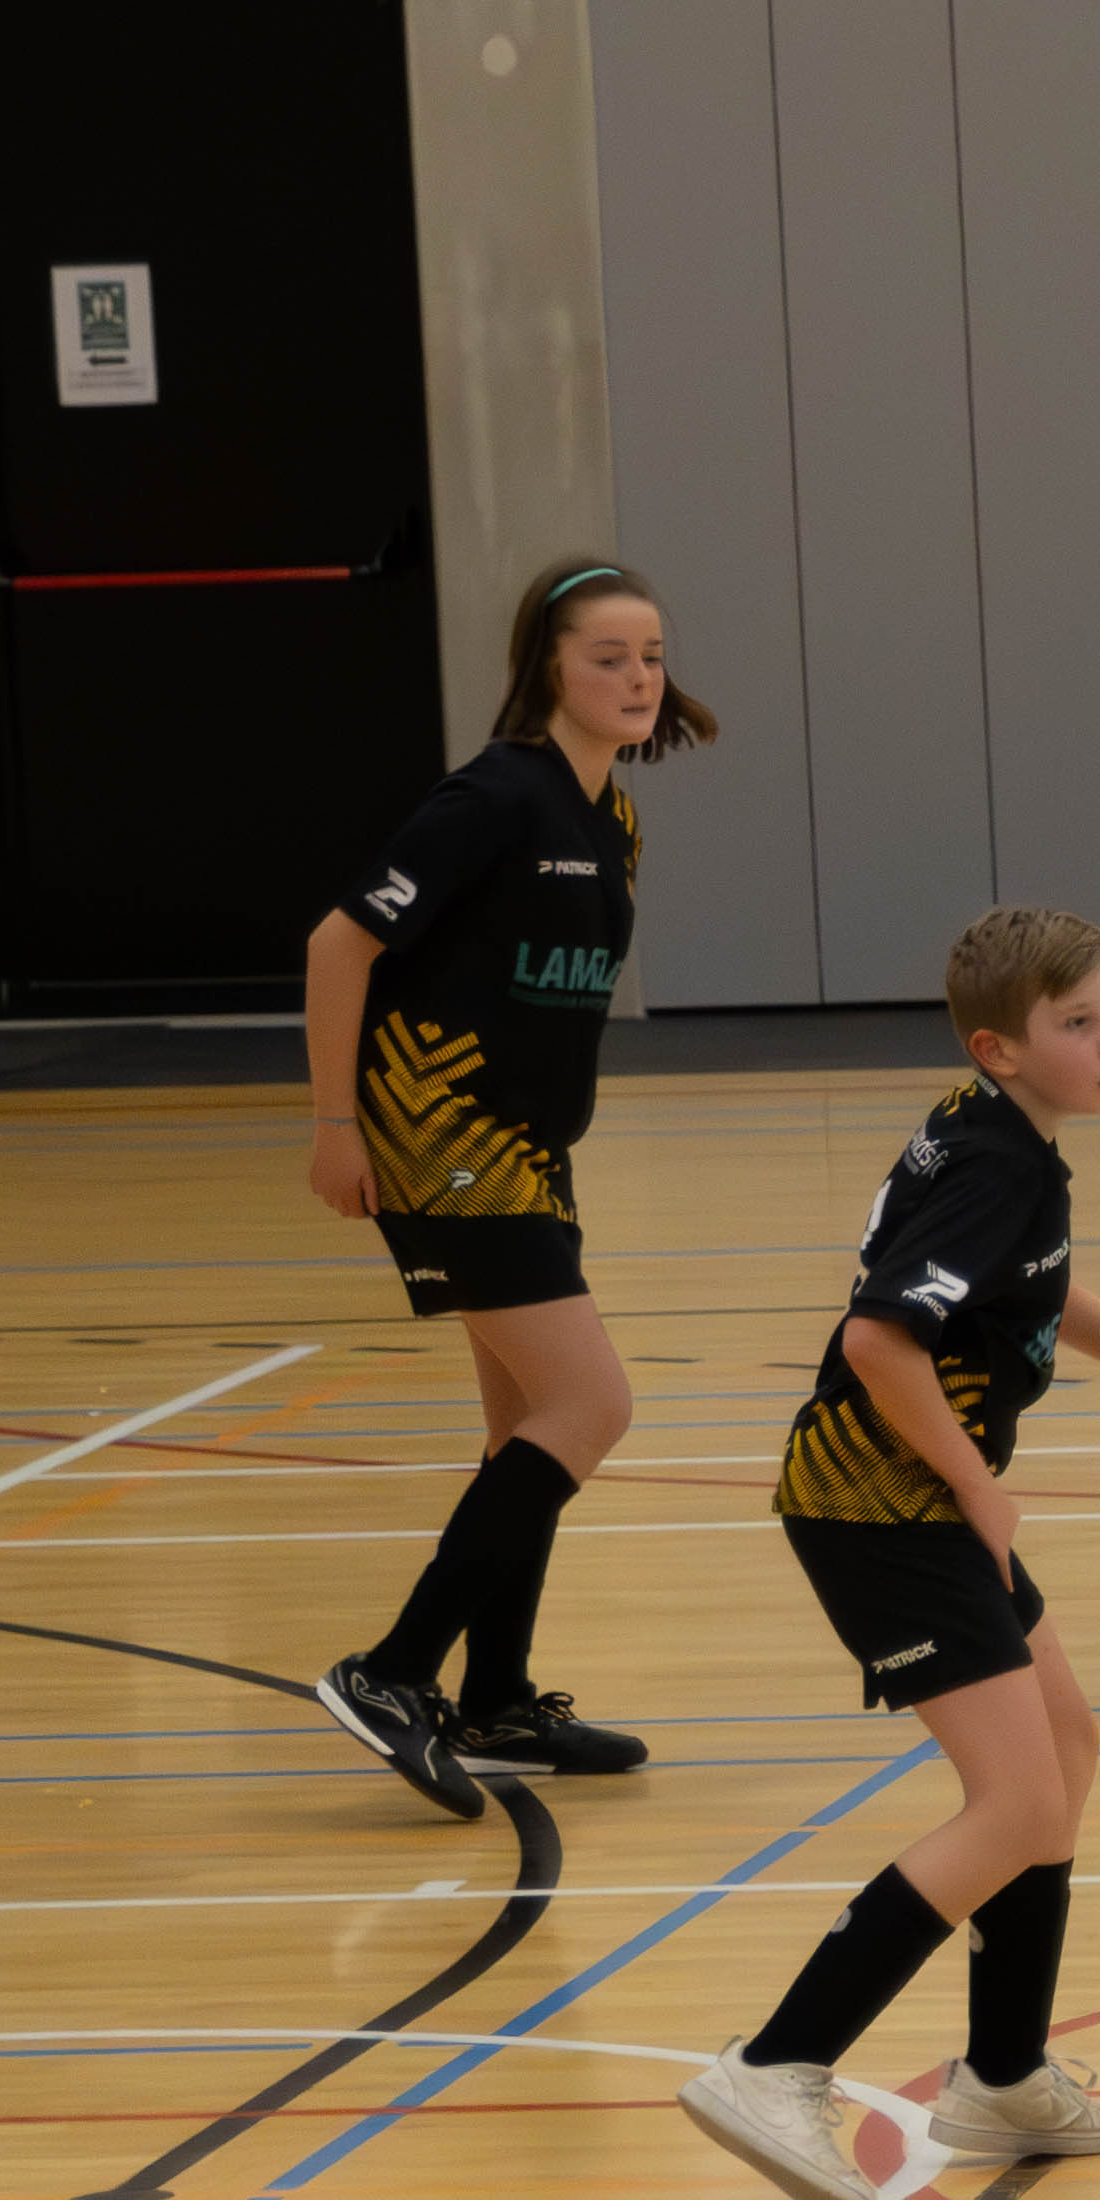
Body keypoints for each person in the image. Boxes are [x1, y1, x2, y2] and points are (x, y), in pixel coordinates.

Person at [679, 909, 1100, 2200]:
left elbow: (1023, 1282)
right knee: (1015, 1802)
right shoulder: (998, 1162)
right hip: (882, 1505)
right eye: (1078, 1024)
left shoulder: (1001, 1137)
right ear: (1000, 1047)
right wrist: (976, 1480)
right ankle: (776, 2063)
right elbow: (878, 1340)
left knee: (1066, 1750)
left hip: (920, 1499)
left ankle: (1002, 2076)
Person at [296, 558, 710, 1816]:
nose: (637, 678)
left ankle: (496, 1698)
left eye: (651, 656)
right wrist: (334, 1124)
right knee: (592, 1403)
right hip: (442, 1133)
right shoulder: (493, 796)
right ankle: (390, 1672)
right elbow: (338, 943)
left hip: (529, 1145)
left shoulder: (609, 815)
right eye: (607, 657)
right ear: (548, 668)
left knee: (522, 1425)